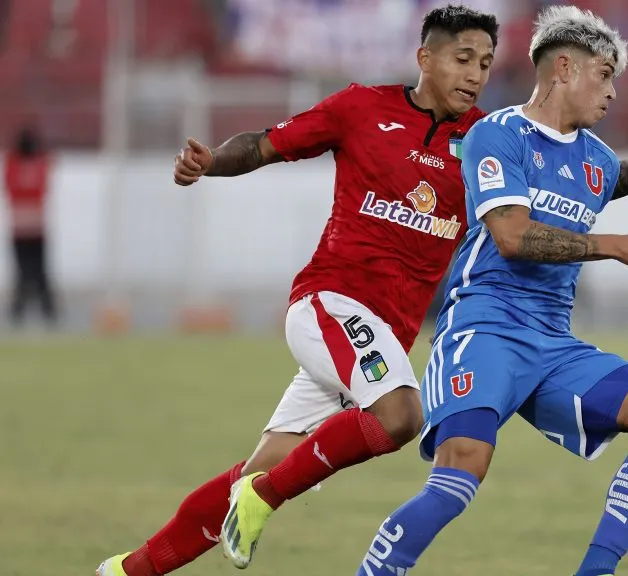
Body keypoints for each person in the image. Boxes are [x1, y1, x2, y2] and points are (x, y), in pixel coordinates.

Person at [221, 6, 628, 575]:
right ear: (565, 68)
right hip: (484, 331)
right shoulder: (494, 133)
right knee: (458, 480)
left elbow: (599, 181)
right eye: (605, 75)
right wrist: (612, 245)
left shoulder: (595, 157)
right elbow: (512, 236)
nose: (613, 92)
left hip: (552, 343)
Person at [95, 5, 498, 575]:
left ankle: (126, 571)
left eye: (485, 63)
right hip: (330, 302)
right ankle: (264, 500)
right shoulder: (362, 107)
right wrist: (211, 162)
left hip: (381, 335)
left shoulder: (486, 141)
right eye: (463, 59)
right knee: (401, 414)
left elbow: (563, 186)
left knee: (259, 469)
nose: (475, 74)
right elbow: (263, 144)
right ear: (424, 57)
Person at [4, 126, 58, 328]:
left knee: (39, 271)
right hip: (25, 226)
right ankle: (22, 309)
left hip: (31, 226)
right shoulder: (21, 164)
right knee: (23, 271)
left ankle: (46, 309)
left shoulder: (25, 164)